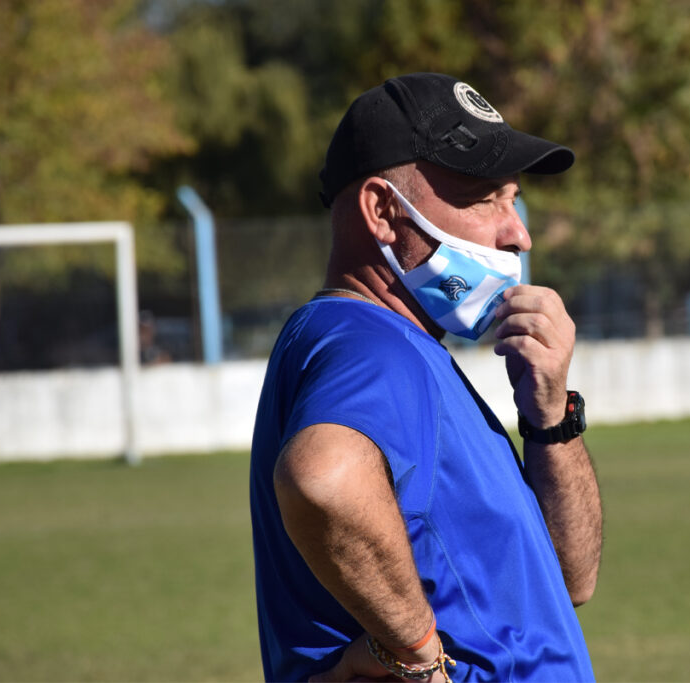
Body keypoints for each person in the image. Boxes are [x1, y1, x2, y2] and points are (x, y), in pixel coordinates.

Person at [249, 72, 603, 682]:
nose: (516, 231)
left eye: (514, 198)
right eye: (485, 197)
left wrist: (551, 417)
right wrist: (417, 658)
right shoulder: (371, 344)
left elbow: (571, 580)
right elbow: (321, 480)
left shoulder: (396, 346)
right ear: (383, 212)